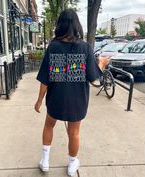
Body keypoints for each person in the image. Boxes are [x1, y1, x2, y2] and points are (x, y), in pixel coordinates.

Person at [34, 9, 109, 176]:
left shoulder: (53, 46)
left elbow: (45, 78)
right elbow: (93, 78)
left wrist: (39, 100)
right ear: (77, 25)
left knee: (48, 125)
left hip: (56, 98)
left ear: (60, 25)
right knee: (74, 132)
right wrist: (101, 63)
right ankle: (72, 164)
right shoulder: (85, 47)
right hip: (77, 100)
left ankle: (45, 161)